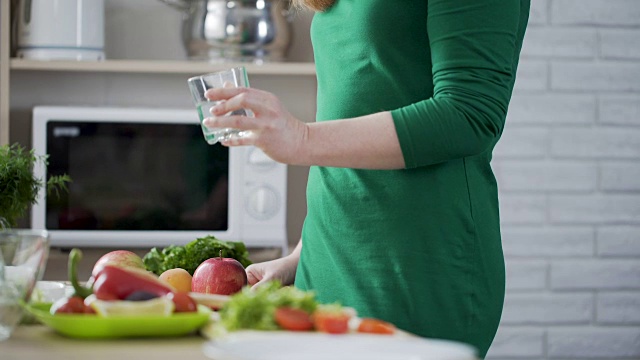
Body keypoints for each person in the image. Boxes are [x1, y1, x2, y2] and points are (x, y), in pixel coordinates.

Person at [203, 0, 530, 357]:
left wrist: (301, 139)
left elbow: (469, 114)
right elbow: (356, 103)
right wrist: (300, 257)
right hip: (326, 265)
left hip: (413, 267)